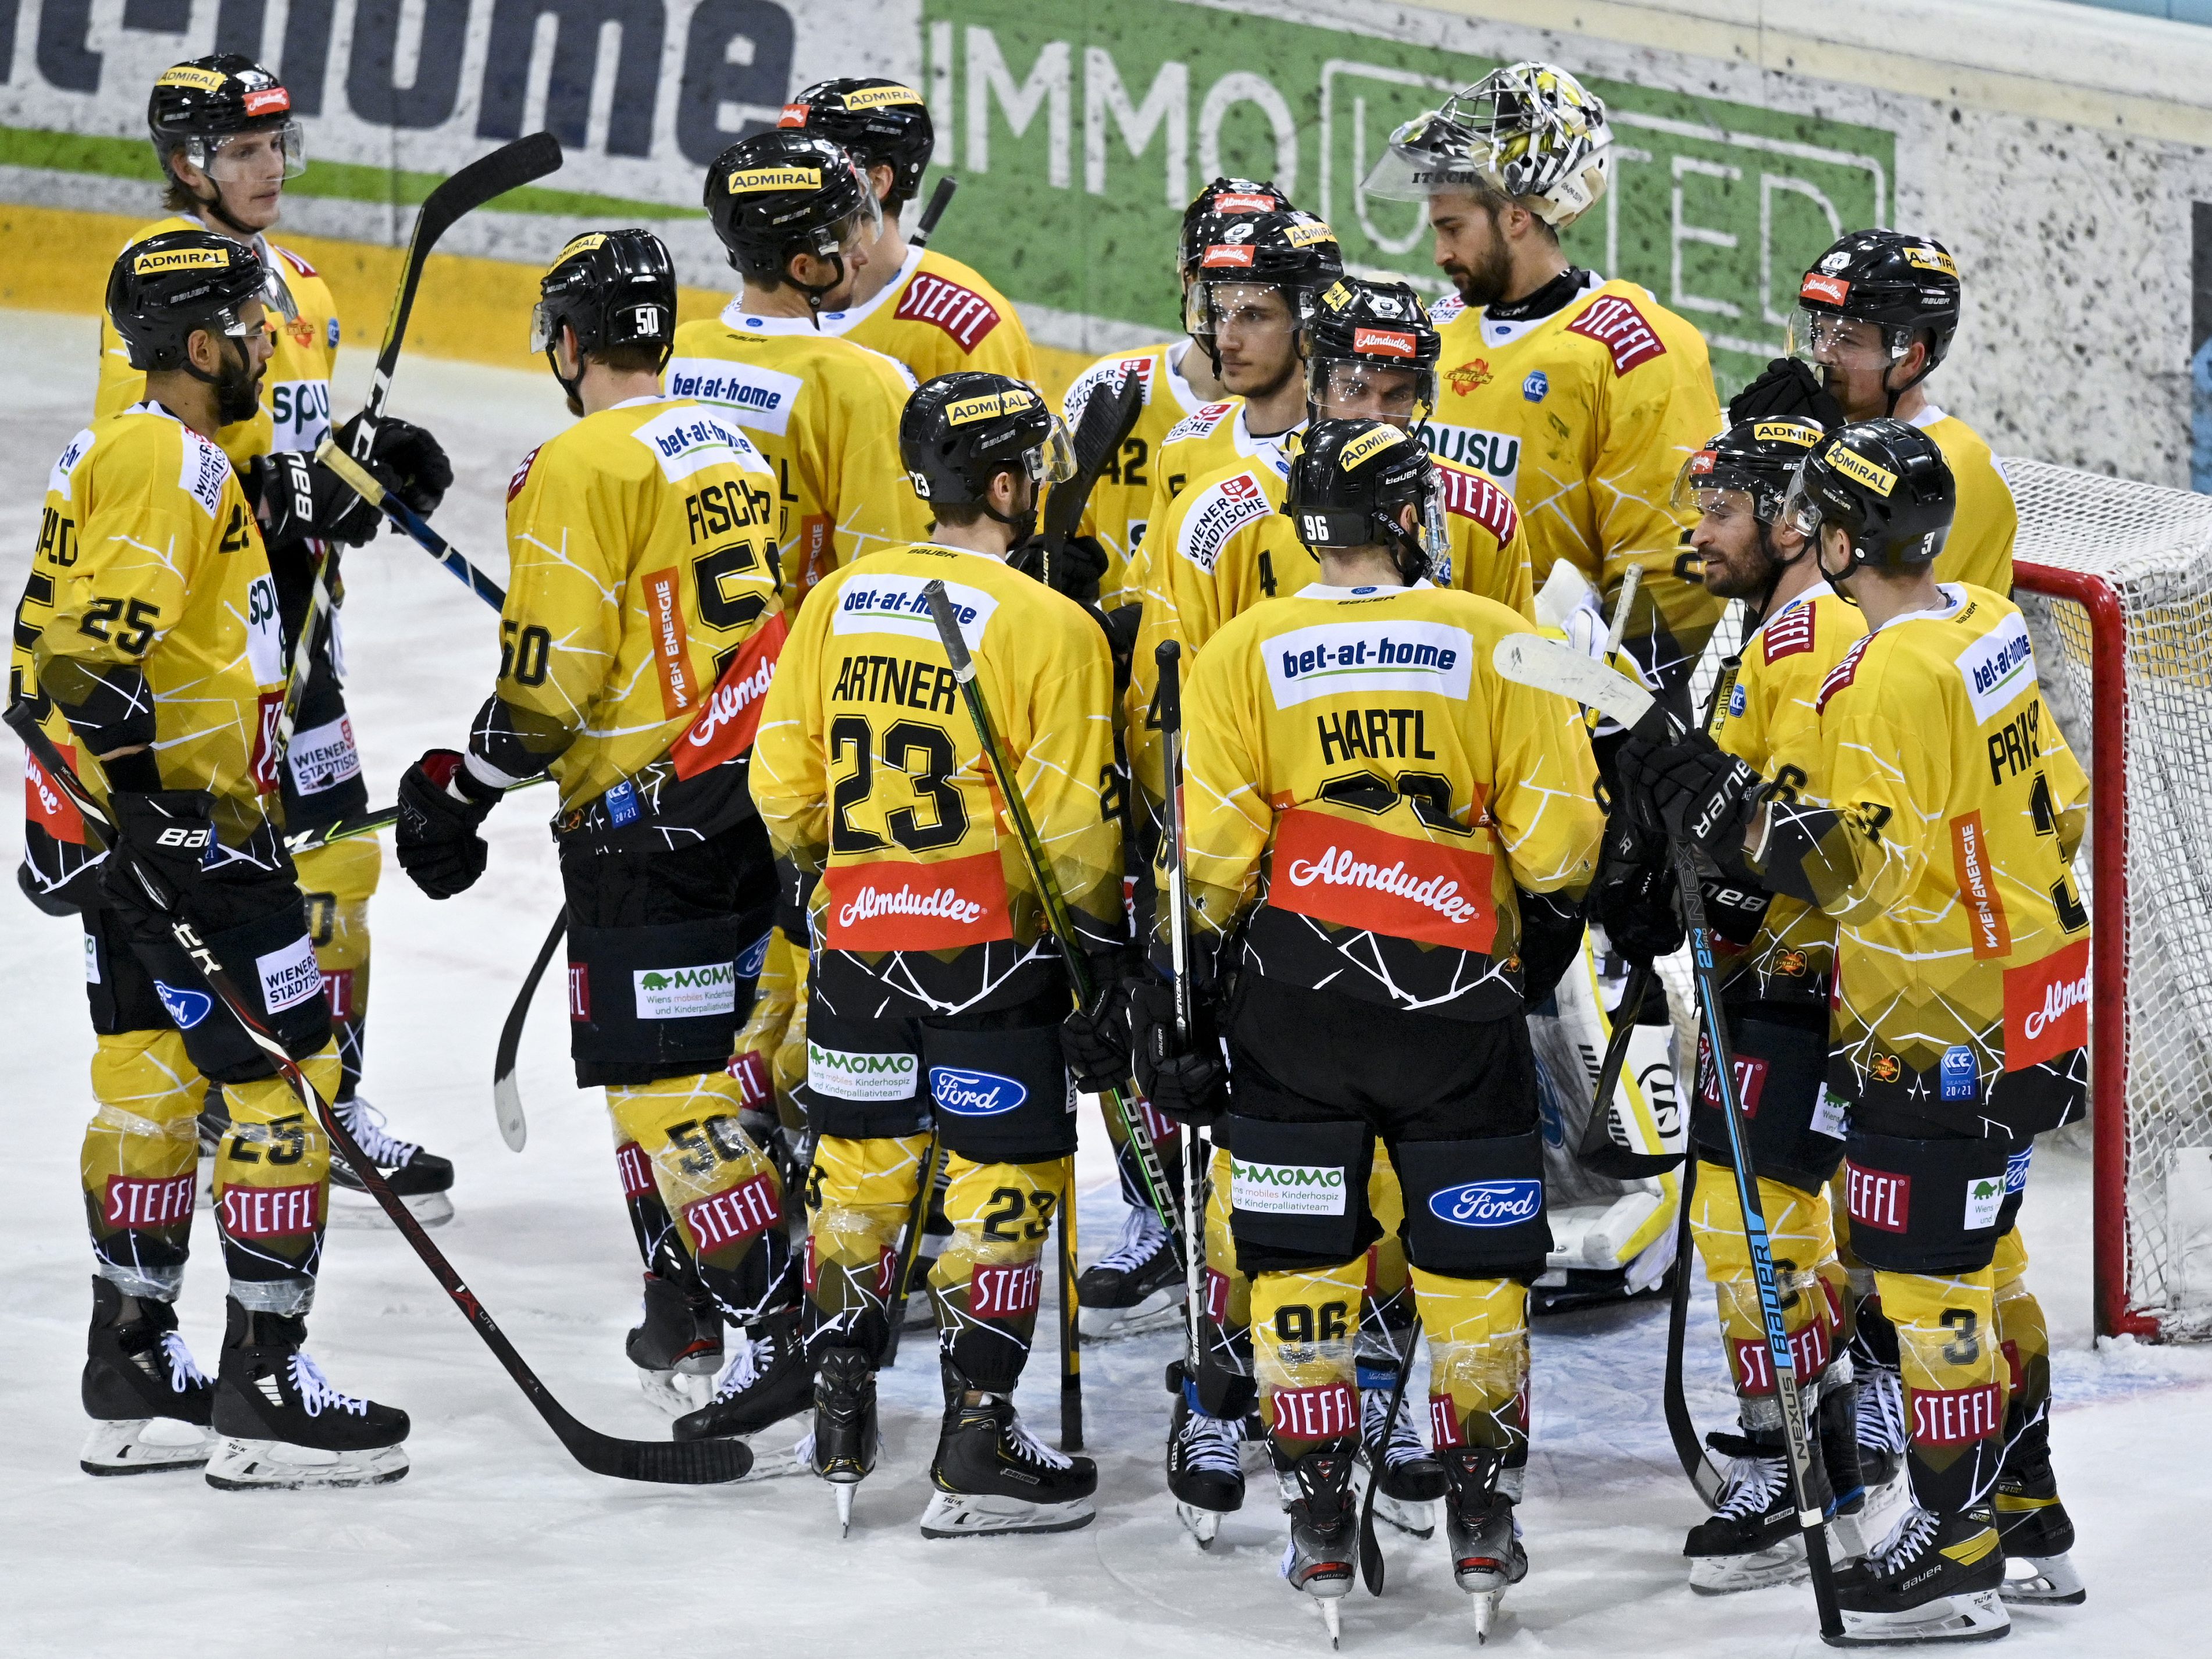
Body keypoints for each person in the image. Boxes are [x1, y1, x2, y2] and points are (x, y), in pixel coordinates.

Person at [1619, 419, 2089, 1642]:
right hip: (2037, 992)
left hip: (1940, 1011)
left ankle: (1956, 1550)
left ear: (1835, 537)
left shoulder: (1889, 672)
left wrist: (1714, 801)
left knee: (1927, 1276)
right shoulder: (1984, 619)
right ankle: (2026, 1506)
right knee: (1985, 1260)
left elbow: (1848, 875)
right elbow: (2064, 801)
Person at [1132, 417, 1603, 1636]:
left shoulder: (1243, 647)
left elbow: (1214, 867)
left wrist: (1173, 1007)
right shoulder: (1498, 640)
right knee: (1475, 1273)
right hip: (1458, 1016)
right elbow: (1558, 847)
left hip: (1296, 1017)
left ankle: (1317, 1517)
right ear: (1410, 516)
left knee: (1297, 1264)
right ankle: (1485, 1513)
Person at [17, 230, 408, 1488]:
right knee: (288, 1085)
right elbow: (78, 671)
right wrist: (148, 826)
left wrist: (81, 825)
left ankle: (133, 1365)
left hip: (135, 834)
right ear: (200, 346)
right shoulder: (167, 460)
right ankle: (265, 1387)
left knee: (148, 1079)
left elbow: (56, 669)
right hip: (188, 836)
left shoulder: (128, 449)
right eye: (248, 328)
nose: (262, 347)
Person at [391, 230, 793, 1419]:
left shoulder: (572, 464)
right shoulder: (726, 440)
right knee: (692, 1070)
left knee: (664, 1091)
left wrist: (457, 789)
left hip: (648, 828)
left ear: (568, 340)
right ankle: (683, 1307)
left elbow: (551, 687)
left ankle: (782, 1333)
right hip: (746, 805)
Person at [746, 371, 1119, 1536]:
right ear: (1005, 483)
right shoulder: (1056, 626)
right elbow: (1073, 836)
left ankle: (843, 1415)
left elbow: (784, 790)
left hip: (856, 944)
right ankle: (976, 1436)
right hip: (991, 955)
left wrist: (850, 872)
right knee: (996, 1187)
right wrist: (1099, 959)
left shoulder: (840, 600)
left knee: (857, 1176)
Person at [93, 53, 458, 1219]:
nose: (268, 168)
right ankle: (243, 1087)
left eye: (275, 145)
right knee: (232, 873)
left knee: (341, 861)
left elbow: (288, 456)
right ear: (187, 164)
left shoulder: (304, 286)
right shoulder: (156, 283)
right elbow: (161, 465)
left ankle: (326, 1094)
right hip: (206, 654)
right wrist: (302, 498)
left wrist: (364, 464)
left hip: (299, 630)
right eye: (243, 150)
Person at [1597, 416, 1873, 1591]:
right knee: (1751, 1225)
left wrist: (1705, 831)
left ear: (1795, 520)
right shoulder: (1755, 634)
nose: (1692, 530)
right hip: (1767, 978)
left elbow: (1820, 862)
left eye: (1720, 511)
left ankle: (1809, 1464)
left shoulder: (1815, 642)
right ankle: (1812, 1441)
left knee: (1752, 1228)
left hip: (1813, 987)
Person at [1367, 60, 1723, 707]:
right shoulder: (1436, 333)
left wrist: (1620, 718)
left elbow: (1670, 569)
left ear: (1515, 216)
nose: (1440, 255)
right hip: (1417, 678)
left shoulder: (1637, 347)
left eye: (1453, 229)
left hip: (1548, 704)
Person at [668, 129, 930, 610]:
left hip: (677, 671)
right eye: (847, 237)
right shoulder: (864, 386)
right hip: (793, 675)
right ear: (805, 268)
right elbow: (888, 577)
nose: (863, 253)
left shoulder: (671, 355)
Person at [1057, 176, 1294, 607]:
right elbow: (1045, 529)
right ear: (1187, 278)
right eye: (1217, 280)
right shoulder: (1104, 388)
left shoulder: (1321, 425)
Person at [1733, 229, 2014, 594]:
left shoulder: (1954, 468)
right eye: (1819, 332)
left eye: (1847, 339)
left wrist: (1822, 469)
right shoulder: (1828, 433)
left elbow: (1869, 610)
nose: (1822, 354)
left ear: (1910, 360)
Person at [782, 79, 1039, 388]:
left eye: (813, 168)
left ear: (876, 182)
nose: (787, 184)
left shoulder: (967, 326)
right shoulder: (774, 293)